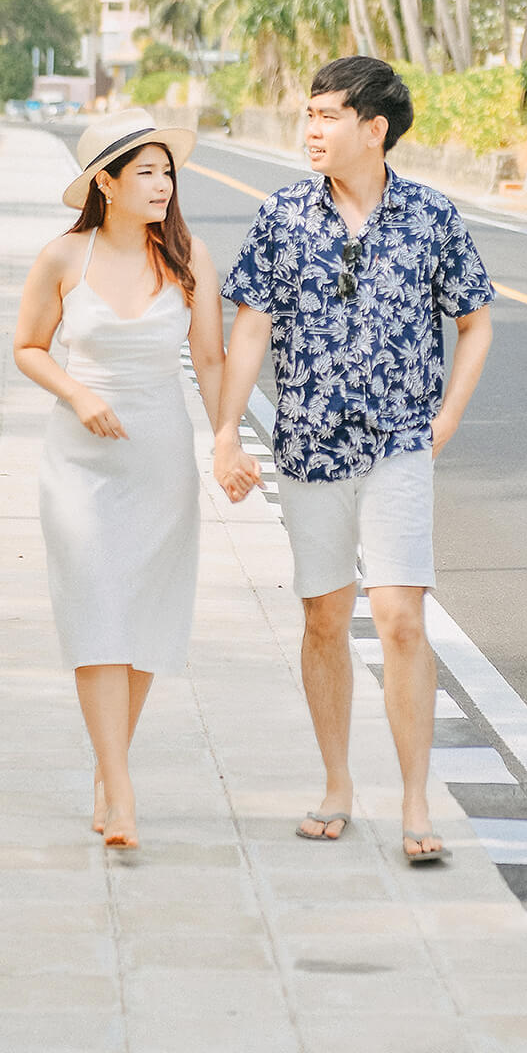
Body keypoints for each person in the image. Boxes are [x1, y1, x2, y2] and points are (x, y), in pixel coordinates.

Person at [214, 56, 494, 863]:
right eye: (307, 113)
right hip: (307, 447)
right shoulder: (281, 216)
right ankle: (337, 783)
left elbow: (475, 320)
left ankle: (415, 802)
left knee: (403, 618)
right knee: (324, 619)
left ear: (374, 130)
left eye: (328, 115)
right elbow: (252, 327)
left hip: (400, 447)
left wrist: (445, 418)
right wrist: (229, 431)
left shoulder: (432, 218)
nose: (311, 129)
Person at [14, 110, 225, 850]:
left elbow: (210, 362)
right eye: (147, 172)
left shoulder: (192, 256)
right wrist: (78, 393)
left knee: (141, 620)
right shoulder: (62, 257)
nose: (163, 184)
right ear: (106, 182)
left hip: (160, 457)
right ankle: (123, 788)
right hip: (80, 461)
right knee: (95, 610)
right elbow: (29, 347)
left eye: (168, 172)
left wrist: (226, 438)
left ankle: (110, 771)